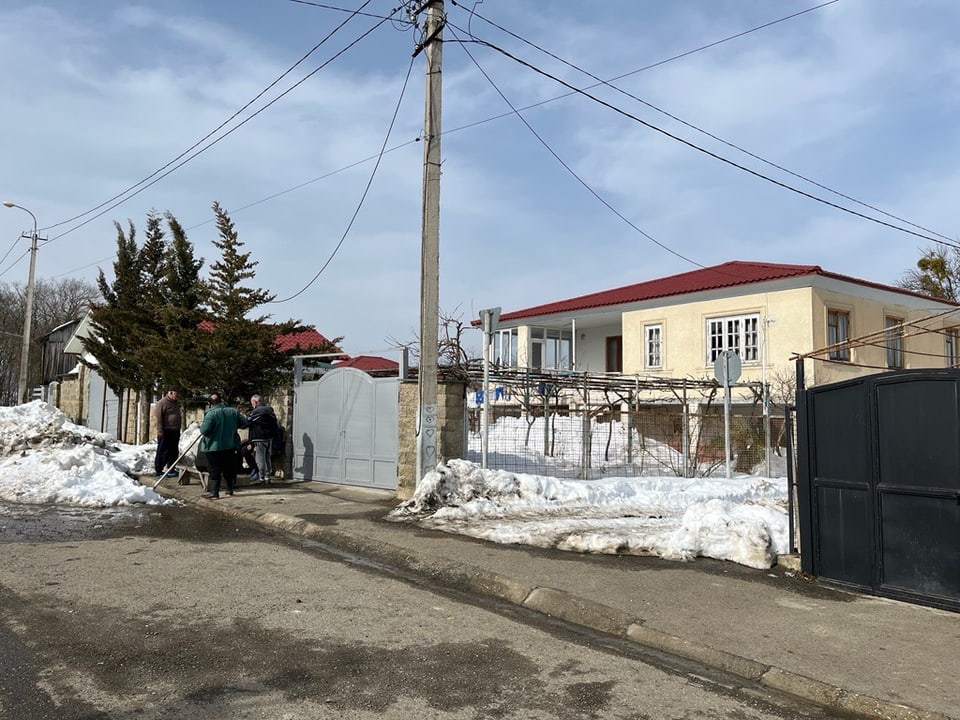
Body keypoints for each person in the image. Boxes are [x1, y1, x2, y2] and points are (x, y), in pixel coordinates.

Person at [199, 393, 248, 499]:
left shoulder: (210, 414)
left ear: (209, 404)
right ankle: (229, 490)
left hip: (213, 446)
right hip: (230, 445)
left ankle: (214, 492)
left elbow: (204, 430)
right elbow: (244, 423)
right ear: (221, 401)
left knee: (214, 469)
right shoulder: (233, 412)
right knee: (228, 468)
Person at [247, 394, 278, 485]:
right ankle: (268, 477)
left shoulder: (255, 411)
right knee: (267, 458)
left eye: (252, 402)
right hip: (269, 437)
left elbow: (248, 422)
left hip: (259, 437)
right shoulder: (270, 410)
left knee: (260, 459)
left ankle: (261, 478)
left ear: (255, 402)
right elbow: (274, 423)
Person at [153, 386, 182, 480]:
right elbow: (158, 418)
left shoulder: (175, 403)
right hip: (165, 431)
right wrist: (160, 431)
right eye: (176, 394)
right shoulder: (162, 403)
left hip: (175, 431)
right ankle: (159, 470)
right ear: (170, 393)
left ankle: (171, 468)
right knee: (163, 451)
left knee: (173, 451)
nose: (177, 396)